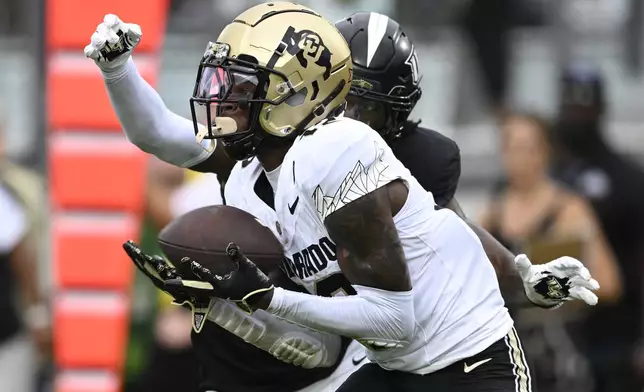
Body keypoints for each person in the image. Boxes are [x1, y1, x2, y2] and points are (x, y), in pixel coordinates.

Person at [84, 5, 599, 391]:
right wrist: (117, 72)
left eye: (242, 88)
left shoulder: (334, 151)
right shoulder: (250, 174)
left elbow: (396, 316)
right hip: (388, 362)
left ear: (295, 95)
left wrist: (264, 297)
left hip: (468, 357)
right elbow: (161, 135)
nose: (226, 99)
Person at [479, 111, 622, 392]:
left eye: (526, 147)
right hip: (506, 353)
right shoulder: (492, 213)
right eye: (510, 146)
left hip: (557, 353)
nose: (517, 157)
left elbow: (608, 282)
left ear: (545, 151)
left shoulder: (569, 209)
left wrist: (552, 289)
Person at [550, 63, 644, 392]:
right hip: (550, 331)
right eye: (570, 105)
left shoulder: (628, 179)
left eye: (584, 106)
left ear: (602, 109)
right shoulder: (544, 178)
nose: (576, 115)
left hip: (613, 331)